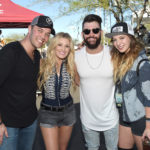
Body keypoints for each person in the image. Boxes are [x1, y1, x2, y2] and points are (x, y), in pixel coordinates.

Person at [0, 15, 55, 150]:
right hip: (8, 125)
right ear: (30, 29)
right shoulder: (11, 52)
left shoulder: (36, 55)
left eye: (47, 34)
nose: (43, 36)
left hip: (30, 121)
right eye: (40, 30)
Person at [75, 14, 119, 150]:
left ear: (101, 32)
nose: (91, 34)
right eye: (87, 31)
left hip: (111, 119)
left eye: (95, 30)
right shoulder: (75, 57)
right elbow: (77, 81)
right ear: (83, 34)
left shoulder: (114, 54)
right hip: (88, 121)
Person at [105, 22, 150, 150]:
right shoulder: (120, 58)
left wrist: (148, 126)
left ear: (131, 38)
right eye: (114, 39)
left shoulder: (142, 63)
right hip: (124, 116)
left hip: (140, 118)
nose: (118, 43)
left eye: (122, 38)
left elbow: (149, 97)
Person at [37, 32, 76, 150]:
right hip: (48, 113)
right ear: (53, 46)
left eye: (67, 46)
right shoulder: (42, 63)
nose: (63, 49)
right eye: (59, 45)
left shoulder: (72, 65)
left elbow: (83, 82)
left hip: (68, 112)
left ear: (70, 49)